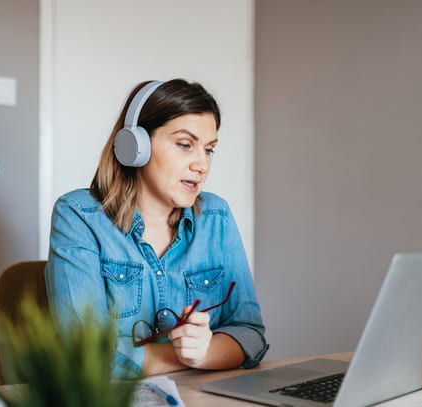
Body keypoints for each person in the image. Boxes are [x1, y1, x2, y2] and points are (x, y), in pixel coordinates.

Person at [45, 79, 268, 378]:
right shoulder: (78, 216)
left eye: (209, 150)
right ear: (135, 146)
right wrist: (190, 356)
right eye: (186, 145)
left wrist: (205, 352)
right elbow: (83, 353)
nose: (202, 164)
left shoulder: (217, 216)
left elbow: (249, 332)